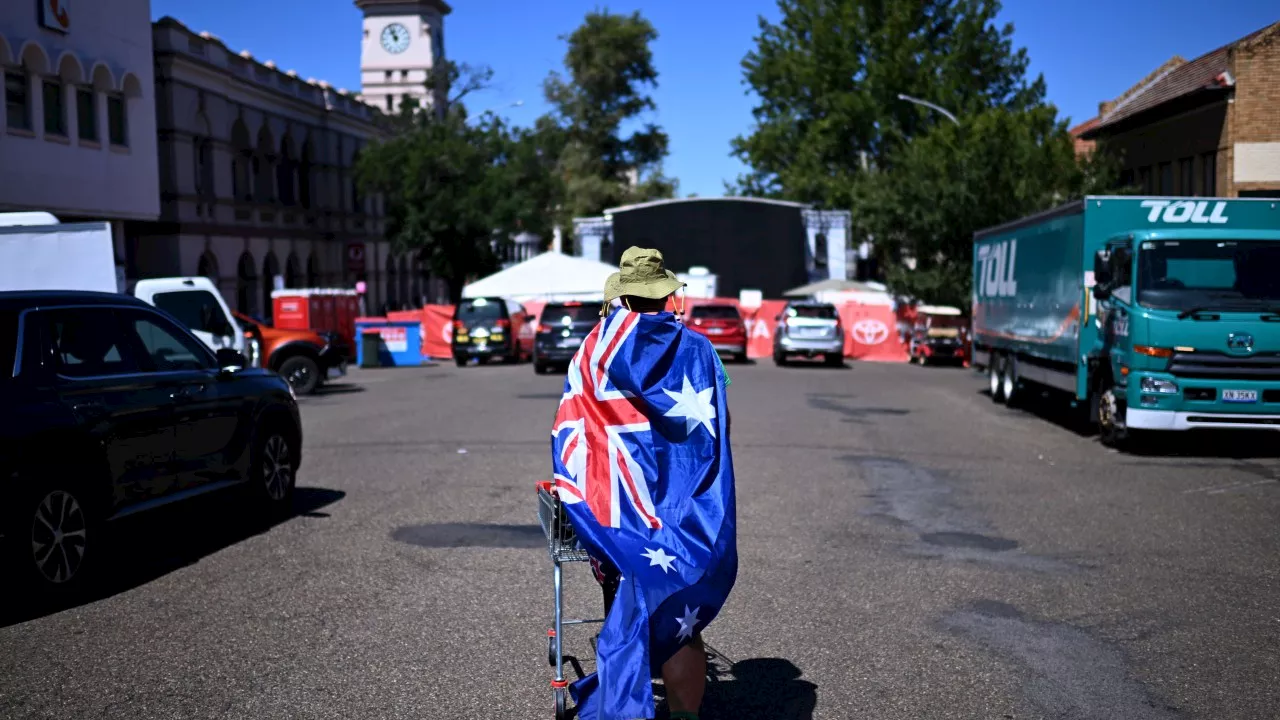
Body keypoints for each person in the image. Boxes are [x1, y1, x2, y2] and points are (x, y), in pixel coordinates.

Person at [553, 247, 737, 720]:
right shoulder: (698, 349)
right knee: (682, 621)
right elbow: (720, 425)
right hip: (682, 517)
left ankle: (627, 692)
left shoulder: (594, 350)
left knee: (626, 597)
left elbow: (575, 429)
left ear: (622, 299)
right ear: (667, 297)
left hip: (616, 517)